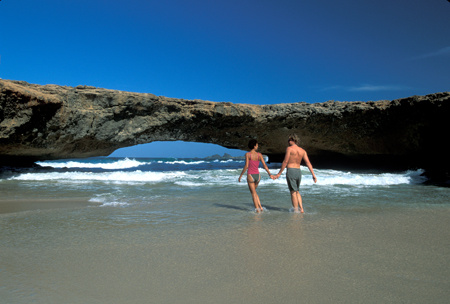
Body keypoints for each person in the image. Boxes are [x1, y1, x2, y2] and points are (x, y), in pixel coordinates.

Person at [274, 134, 317, 213]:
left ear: (293, 140)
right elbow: (308, 163)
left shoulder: (289, 149)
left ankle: (296, 211)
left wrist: (279, 173)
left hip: (291, 170)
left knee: (293, 192)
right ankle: (301, 209)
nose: (288, 142)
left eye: (289, 140)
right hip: (298, 171)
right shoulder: (302, 151)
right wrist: (313, 174)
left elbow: (285, 161)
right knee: (297, 191)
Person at [239, 139, 274, 213]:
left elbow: (246, 166)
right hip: (258, 176)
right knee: (254, 192)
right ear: (254, 146)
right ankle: (260, 207)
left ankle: (257, 210)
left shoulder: (248, 154)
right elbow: (264, 165)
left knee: (253, 193)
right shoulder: (259, 155)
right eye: (257, 145)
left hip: (250, 175)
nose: (258, 146)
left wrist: (241, 175)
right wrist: (269, 174)